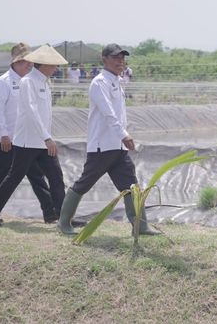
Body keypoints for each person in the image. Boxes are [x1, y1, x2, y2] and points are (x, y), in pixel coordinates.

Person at [58, 43, 159, 236]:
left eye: (122, 57)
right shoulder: (99, 83)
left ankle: (141, 226)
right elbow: (108, 114)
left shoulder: (117, 81)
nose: (120, 61)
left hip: (118, 148)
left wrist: (122, 137)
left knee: (131, 186)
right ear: (104, 59)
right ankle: (63, 223)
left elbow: (119, 116)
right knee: (84, 184)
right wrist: (125, 135)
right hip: (102, 147)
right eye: (115, 57)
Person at [0, 45, 69, 227]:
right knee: (11, 176)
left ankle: (62, 216)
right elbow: (29, 110)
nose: (56, 68)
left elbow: (42, 114)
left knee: (55, 177)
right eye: (53, 65)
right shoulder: (23, 82)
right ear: (43, 65)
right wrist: (3, 133)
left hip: (39, 141)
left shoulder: (43, 82)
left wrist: (47, 137)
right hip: (24, 141)